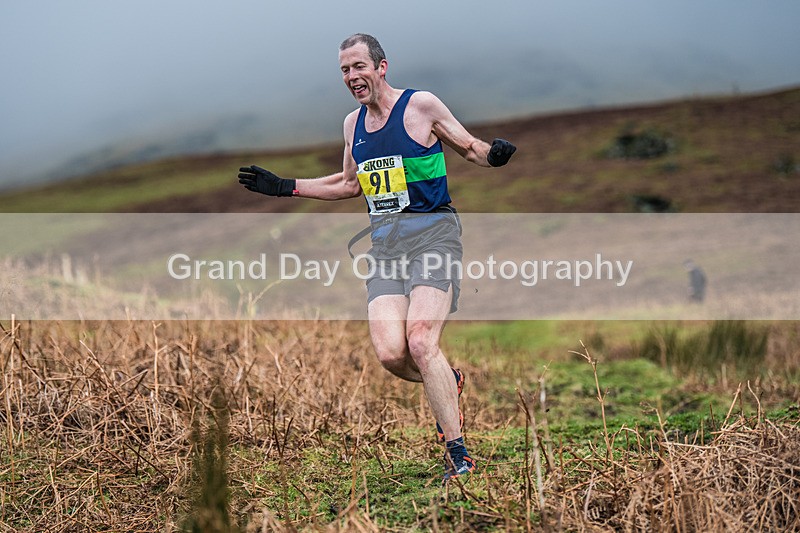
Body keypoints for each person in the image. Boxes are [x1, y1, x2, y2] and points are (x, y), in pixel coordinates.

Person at [238, 33, 516, 482]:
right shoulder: (352, 126)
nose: (351, 77)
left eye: (358, 67)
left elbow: (469, 147)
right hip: (386, 248)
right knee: (391, 354)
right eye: (345, 70)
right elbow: (350, 184)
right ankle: (450, 380)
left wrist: (495, 156)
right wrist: (285, 185)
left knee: (422, 341)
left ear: (381, 67)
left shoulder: (421, 105)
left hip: (434, 236)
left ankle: (459, 456)